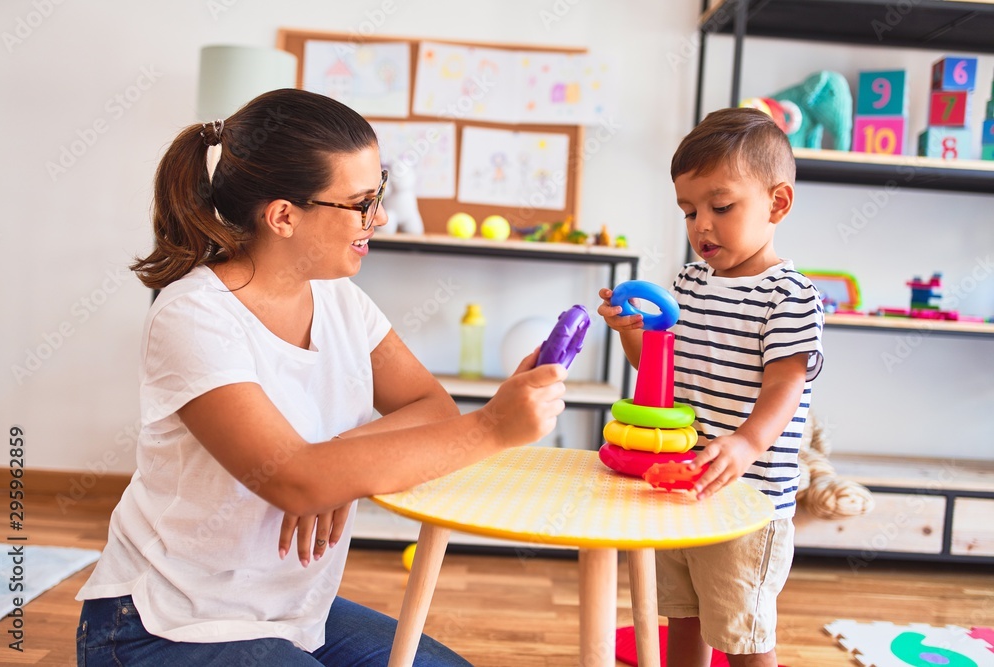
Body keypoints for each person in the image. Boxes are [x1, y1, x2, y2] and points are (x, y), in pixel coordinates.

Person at [75, 88, 567, 666]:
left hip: (292, 610)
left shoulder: (342, 303)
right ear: (283, 215)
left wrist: (338, 459)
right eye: (360, 202)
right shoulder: (192, 316)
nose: (378, 216)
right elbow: (292, 481)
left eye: (378, 192)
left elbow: (429, 406)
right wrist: (493, 429)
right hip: (162, 623)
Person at [598, 107, 824, 667]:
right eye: (689, 210)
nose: (702, 224)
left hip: (749, 503)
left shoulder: (789, 296)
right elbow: (658, 372)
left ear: (777, 203)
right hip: (683, 486)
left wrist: (747, 444)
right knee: (684, 614)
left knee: (743, 635)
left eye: (721, 207)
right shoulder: (688, 284)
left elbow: (785, 385)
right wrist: (632, 334)